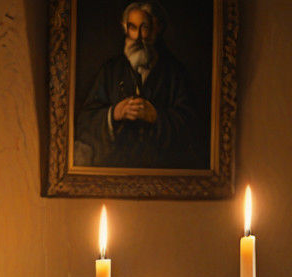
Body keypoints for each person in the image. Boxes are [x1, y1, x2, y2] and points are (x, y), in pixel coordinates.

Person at [74, 1, 206, 169]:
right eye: (132, 28)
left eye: (144, 28)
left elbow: (192, 125)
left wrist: (156, 116)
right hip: (117, 169)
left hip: (162, 170)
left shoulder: (175, 72)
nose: (137, 37)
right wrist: (114, 113)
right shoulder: (110, 70)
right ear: (125, 29)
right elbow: (85, 121)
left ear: (157, 29)